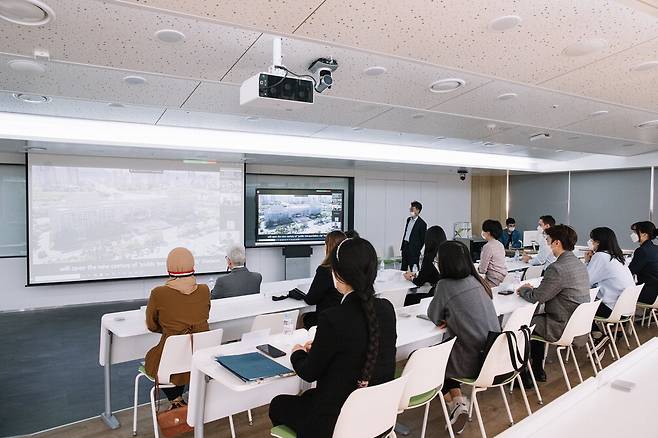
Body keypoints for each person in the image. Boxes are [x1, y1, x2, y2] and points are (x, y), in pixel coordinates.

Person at [269, 238, 397, 438]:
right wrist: (321, 346)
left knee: (278, 405)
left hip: (335, 423)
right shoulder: (387, 309)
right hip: (377, 417)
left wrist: (298, 353)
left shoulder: (333, 318)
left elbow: (309, 372)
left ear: (337, 274)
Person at [427, 241, 499, 434]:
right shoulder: (478, 281)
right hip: (493, 356)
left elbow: (434, 316)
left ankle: (455, 403)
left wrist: (445, 317)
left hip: (472, 361)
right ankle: (457, 403)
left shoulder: (445, 285)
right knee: (444, 356)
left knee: (432, 362)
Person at [517, 225, 589, 386]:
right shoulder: (579, 264)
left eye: (548, 241)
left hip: (561, 325)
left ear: (557, 243)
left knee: (522, 325)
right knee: (537, 321)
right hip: (576, 323)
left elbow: (538, 297)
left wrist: (524, 290)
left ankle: (522, 374)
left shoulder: (557, 268)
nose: (547, 244)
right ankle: (537, 368)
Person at [144, 248, 210, 408]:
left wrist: (172, 329)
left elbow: (152, 325)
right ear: (192, 265)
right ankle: (182, 399)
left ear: (169, 267)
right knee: (182, 356)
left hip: (172, 357)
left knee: (160, 360)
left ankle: (176, 400)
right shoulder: (204, 290)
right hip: (199, 356)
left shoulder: (158, 293)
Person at [585, 227, 635, 337]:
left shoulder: (600, 256)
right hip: (626, 309)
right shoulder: (617, 257)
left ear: (598, 242)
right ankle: (607, 331)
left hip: (613, 310)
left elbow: (586, 281)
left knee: (578, 303)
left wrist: (587, 262)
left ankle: (595, 332)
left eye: (592, 240)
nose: (590, 242)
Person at [302, 230, 347, 329]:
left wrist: (301, 295)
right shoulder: (350, 268)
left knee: (304, 317)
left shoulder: (325, 270)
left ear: (328, 247)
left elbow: (311, 299)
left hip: (326, 320)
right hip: (344, 319)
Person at [403, 225, 447, 305]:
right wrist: (417, 274)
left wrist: (410, 277)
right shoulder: (446, 254)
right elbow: (431, 274)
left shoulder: (429, 258)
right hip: (445, 294)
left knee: (408, 297)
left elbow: (419, 282)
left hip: (435, 295)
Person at [629, 221, 658, 306]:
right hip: (656, 295)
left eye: (635, 232)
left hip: (647, 294)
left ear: (645, 234)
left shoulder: (642, 251)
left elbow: (630, 272)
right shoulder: (655, 249)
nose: (633, 234)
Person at [478, 219, 508, 286]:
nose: (482, 232)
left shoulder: (488, 246)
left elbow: (482, 270)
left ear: (488, 233)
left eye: (483, 230)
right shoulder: (500, 244)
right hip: (502, 279)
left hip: (493, 281)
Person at [400, 201, 427, 271]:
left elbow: (422, 240)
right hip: (405, 247)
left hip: (414, 251)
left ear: (418, 210)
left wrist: (416, 249)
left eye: (412, 208)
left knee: (414, 270)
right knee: (403, 269)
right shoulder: (408, 220)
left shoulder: (422, 224)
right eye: (410, 208)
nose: (410, 210)